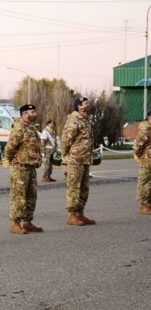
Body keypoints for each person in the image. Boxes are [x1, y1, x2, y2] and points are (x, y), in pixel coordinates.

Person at [3, 104, 43, 234]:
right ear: (25, 114)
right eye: (32, 112)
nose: (35, 114)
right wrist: (12, 161)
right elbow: (9, 148)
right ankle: (15, 223)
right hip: (20, 167)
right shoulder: (19, 128)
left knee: (31, 196)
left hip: (31, 166)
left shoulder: (32, 128)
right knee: (19, 197)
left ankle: (27, 222)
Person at [61, 97, 96, 226]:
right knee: (74, 188)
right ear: (79, 107)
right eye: (86, 103)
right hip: (75, 160)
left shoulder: (85, 120)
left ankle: (80, 214)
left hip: (85, 160)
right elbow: (66, 141)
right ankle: (71, 215)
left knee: (84, 188)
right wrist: (65, 156)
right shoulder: (74, 120)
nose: (89, 105)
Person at [132, 111, 151, 215]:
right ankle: (144, 205)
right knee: (144, 182)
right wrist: (140, 156)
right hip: (147, 160)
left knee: (149, 183)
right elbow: (139, 145)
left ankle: (148, 203)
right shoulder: (145, 129)